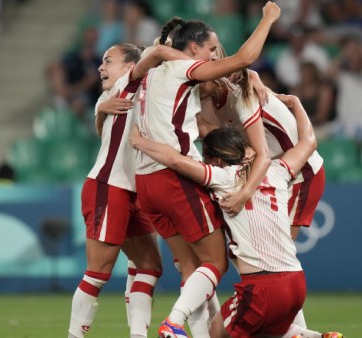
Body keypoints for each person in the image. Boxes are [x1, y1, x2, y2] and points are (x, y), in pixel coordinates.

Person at [129, 94, 343, 338]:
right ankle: (314, 336)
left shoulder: (224, 178)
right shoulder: (277, 170)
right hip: (297, 282)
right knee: (268, 329)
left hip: (262, 287)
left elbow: (175, 161)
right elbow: (309, 141)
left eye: (207, 158)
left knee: (217, 332)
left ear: (217, 160)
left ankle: (173, 323)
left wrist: (139, 142)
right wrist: (296, 103)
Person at [129, 3, 281, 337]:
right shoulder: (184, 69)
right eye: (211, 49)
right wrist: (268, 18)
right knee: (216, 262)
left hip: (145, 183)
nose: (214, 56)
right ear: (193, 48)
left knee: (191, 268)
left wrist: (248, 76)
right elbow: (243, 58)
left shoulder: (148, 74)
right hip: (173, 178)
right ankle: (172, 324)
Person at [67, 43, 163, 338]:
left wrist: (99, 108)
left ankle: (137, 335)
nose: (100, 67)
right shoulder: (124, 84)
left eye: (108, 61)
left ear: (128, 65)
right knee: (99, 272)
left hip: (135, 191)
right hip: (110, 187)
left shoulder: (140, 90)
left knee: (149, 265)